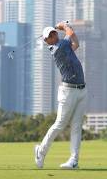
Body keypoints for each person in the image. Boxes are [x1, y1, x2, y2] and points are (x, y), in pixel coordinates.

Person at [34, 21, 87, 170]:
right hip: (68, 92)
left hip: (82, 90)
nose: (53, 35)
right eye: (50, 35)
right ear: (46, 41)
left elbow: (76, 43)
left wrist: (66, 28)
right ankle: (41, 151)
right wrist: (63, 25)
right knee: (59, 124)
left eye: (54, 32)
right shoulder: (58, 48)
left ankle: (74, 160)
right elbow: (70, 35)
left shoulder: (64, 46)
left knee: (77, 126)